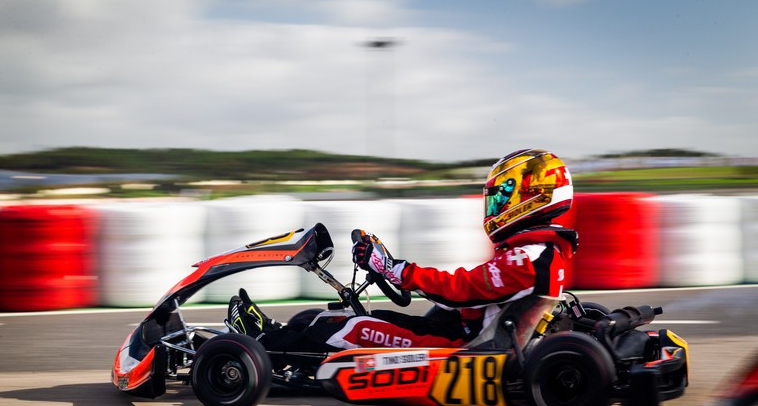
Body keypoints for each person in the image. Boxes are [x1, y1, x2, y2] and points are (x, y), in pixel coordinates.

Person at [229, 148, 578, 352]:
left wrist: (396, 269)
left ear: (534, 195)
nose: (497, 204)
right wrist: (394, 272)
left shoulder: (529, 255)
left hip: (461, 351)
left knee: (336, 328)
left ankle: (256, 347)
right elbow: (469, 297)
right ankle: (271, 337)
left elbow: (462, 290)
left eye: (503, 195)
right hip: (465, 333)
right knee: (319, 318)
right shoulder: (540, 251)